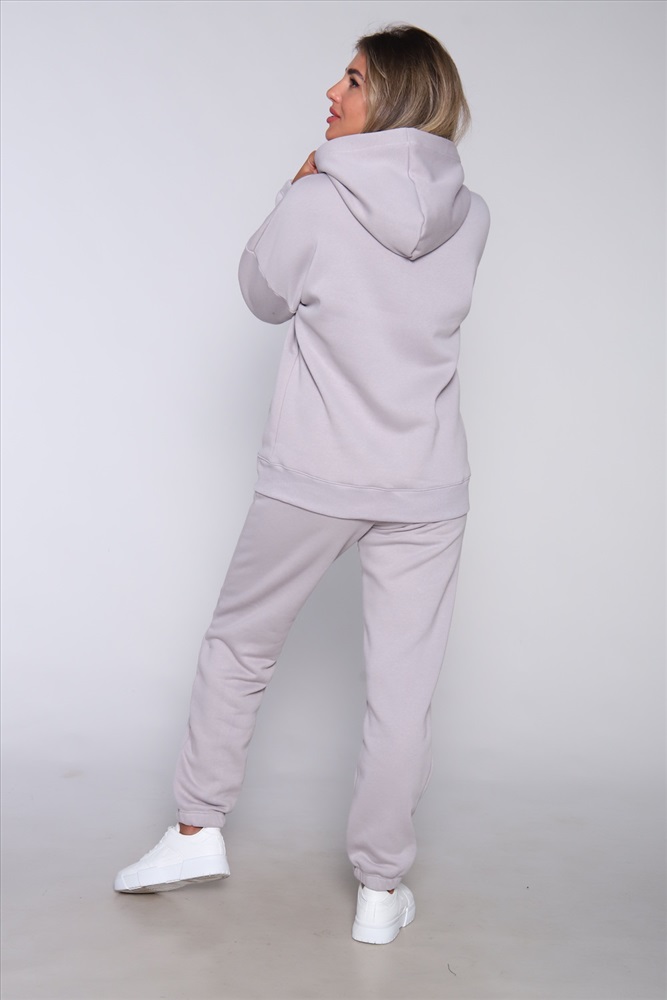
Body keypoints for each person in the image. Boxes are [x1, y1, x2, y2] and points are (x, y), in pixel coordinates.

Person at [114, 24, 490, 946]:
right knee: (403, 691)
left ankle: (196, 832)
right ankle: (379, 892)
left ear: (393, 94)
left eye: (353, 78)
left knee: (240, 643)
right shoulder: (473, 213)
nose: (333, 91)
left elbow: (262, 293)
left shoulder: (319, 197)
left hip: (317, 469)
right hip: (425, 480)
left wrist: (294, 189)